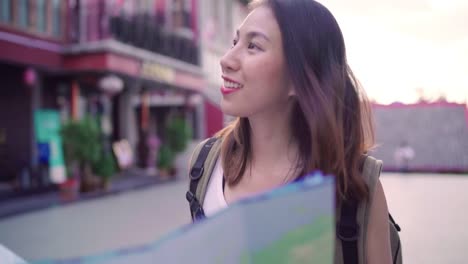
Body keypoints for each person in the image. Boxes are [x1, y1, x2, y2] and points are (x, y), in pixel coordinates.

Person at [188, 0, 392, 263]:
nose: (226, 60)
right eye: (234, 42)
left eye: (253, 46)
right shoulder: (205, 166)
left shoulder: (355, 187)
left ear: (300, 77)